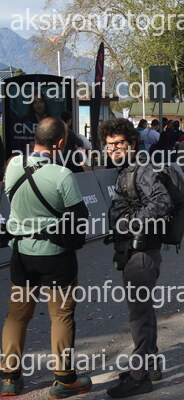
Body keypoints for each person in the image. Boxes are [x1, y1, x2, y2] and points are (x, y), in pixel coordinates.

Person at [0, 117, 91, 398]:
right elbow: (79, 216)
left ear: (35, 138)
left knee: (17, 316)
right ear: (61, 143)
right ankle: (64, 380)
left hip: (22, 254)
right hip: (56, 257)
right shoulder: (62, 174)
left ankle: (9, 378)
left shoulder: (13, 165)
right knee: (61, 317)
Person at [100, 118, 172, 398]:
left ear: (131, 143)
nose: (114, 149)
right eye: (109, 145)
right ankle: (150, 365)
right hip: (134, 250)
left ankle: (139, 376)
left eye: (119, 143)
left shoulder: (141, 168)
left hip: (141, 251)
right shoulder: (128, 168)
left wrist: (131, 222)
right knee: (144, 311)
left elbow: (161, 202)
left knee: (138, 316)